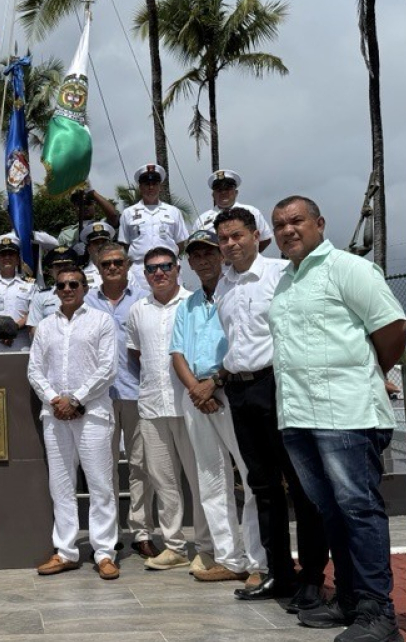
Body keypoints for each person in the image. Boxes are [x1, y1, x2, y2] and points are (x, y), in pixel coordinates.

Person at [269, 196, 406, 641]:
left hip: (346, 414)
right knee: (331, 512)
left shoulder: (348, 268)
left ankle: (378, 612)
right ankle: (348, 599)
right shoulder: (285, 282)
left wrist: (371, 374)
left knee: (359, 509)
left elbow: (391, 327)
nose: (288, 230)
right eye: (279, 225)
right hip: (298, 415)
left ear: (319, 223)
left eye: (296, 221)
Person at [213, 207, 328, 604]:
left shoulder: (281, 274)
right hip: (240, 392)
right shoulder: (222, 286)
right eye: (223, 238)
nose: (230, 244)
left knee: (300, 485)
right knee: (261, 487)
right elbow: (234, 343)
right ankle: (280, 573)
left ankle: (313, 577)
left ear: (255, 235)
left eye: (237, 236)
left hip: (276, 385)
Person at [168, 230, 266, 584]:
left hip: (231, 390)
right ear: (190, 263)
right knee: (211, 478)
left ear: (220, 256)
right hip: (195, 395)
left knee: (252, 475)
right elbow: (177, 352)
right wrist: (196, 389)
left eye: (209, 253)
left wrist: (214, 383)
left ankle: (259, 561)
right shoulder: (187, 304)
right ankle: (229, 558)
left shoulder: (234, 292)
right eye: (196, 255)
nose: (204, 260)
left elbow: (244, 343)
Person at [124, 246, 213, 572]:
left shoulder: (195, 303)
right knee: (163, 482)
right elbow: (137, 356)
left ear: (177, 269)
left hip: (191, 405)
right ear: (144, 274)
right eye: (151, 269)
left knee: (200, 480)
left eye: (165, 266)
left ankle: (205, 546)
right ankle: (174, 545)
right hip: (151, 406)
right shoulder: (137, 311)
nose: (158, 273)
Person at [28, 265, 120, 580]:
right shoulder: (45, 326)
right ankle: (66, 551)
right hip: (54, 414)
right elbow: (34, 370)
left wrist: (77, 399)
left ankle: (105, 552)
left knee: (99, 484)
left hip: (91, 412)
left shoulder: (101, 320)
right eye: (62, 285)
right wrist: (56, 399)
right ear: (55, 290)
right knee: (61, 485)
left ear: (84, 287)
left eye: (74, 284)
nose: (68, 289)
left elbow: (108, 367)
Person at [81, 242, 150, 558]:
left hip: (135, 390)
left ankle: (141, 531)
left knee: (139, 465)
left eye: (118, 263)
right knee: (102, 469)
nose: (111, 268)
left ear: (127, 265)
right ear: (97, 267)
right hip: (98, 398)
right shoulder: (86, 303)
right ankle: (108, 535)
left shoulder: (142, 300)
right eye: (106, 263)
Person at [114, 164, 189, 285]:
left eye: (154, 183)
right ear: (140, 186)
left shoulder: (173, 212)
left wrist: (166, 257)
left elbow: (180, 242)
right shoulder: (128, 213)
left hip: (168, 267)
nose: (151, 187)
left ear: (160, 186)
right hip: (139, 270)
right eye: (146, 184)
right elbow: (124, 245)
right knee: (139, 303)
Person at [195, 170, 273, 251]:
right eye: (219, 190)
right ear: (213, 195)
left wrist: (249, 258)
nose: (223, 192)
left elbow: (265, 238)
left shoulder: (252, 211)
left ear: (236, 192)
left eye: (227, 188)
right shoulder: (201, 220)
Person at [25, 246, 79, 334]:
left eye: (67, 265)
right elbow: (33, 328)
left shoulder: (86, 294)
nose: (63, 269)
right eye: (58, 266)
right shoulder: (40, 297)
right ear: (51, 271)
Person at [79, 222, 115, 290]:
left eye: (104, 242)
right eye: (96, 243)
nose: (100, 246)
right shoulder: (82, 276)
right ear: (89, 249)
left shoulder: (124, 271)